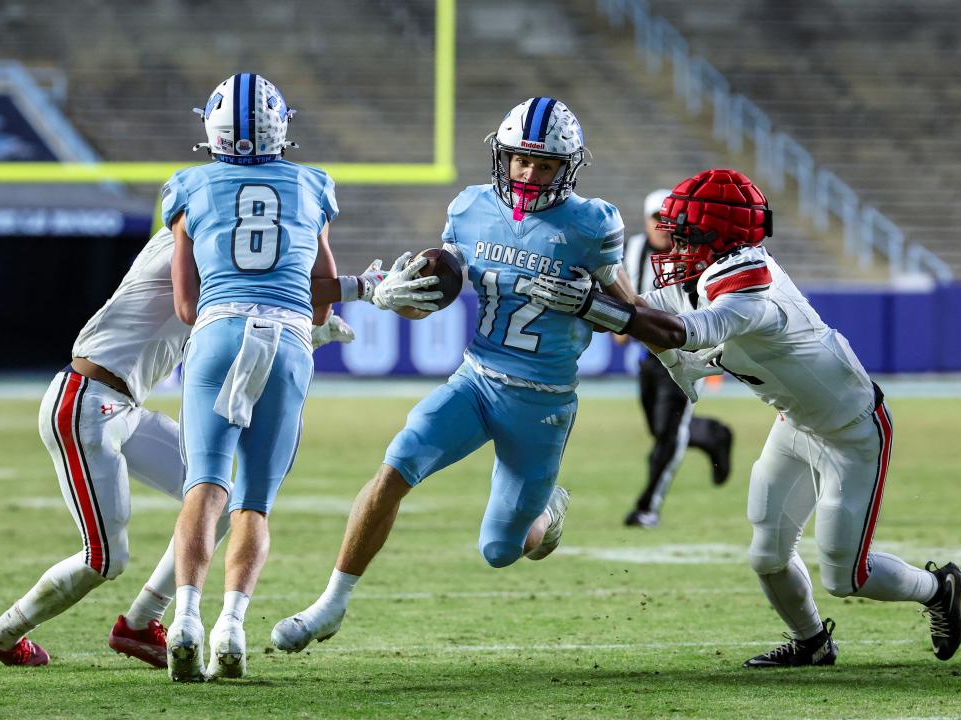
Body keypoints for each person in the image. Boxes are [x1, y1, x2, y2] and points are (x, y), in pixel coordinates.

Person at [527, 168, 961, 667]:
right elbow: (641, 308)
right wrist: (584, 285)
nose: (674, 249)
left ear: (718, 239)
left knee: (847, 577)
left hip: (851, 432)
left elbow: (682, 332)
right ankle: (812, 643)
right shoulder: (710, 273)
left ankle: (938, 588)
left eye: (686, 237)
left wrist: (596, 307)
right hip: (795, 423)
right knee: (767, 553)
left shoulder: (750, 286)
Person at [270, 96, 636, 654]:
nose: (528, 173)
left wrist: (593, 305)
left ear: (567, 168)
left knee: (501, 549)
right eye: (520, 160)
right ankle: (331, 605)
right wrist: (394, 297)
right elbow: (431, 296)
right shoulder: (470, 208)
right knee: (396, 465)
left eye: (543, 165)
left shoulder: (591, 224)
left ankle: (547, 513)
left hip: (543, 403)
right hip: (476, 380)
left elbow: (628, 318)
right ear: (503, 157)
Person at [0, 218, 367, 670]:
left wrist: (308, 331)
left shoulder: (204, 249)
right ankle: (4, 632)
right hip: (85, 402)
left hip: (124, 408)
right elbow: (249, 291)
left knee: (217, 501)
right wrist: (360, 288)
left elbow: (240, 317)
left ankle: (141, 622)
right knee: (105, 559)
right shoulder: (188, 249)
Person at [162, 73, 442, 682]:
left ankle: (183, 617)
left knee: (204, 487)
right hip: (287, 341)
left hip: (216, 334)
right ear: (280, 127)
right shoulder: (311, 184)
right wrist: (355, 295)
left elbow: (186, 308)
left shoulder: (188, 186)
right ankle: (230, 628)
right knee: (254, 502)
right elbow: (320, 299)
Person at [617, 188, 733, 529]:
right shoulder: (636, 249)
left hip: (684, 355)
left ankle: (647, 507)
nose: (661, 226)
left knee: (668, 437)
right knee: (661, 431)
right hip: (649, 355)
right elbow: (624, 288)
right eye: (656, 219)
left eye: (667, 220)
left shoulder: (695, 256)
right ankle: (712, 434)